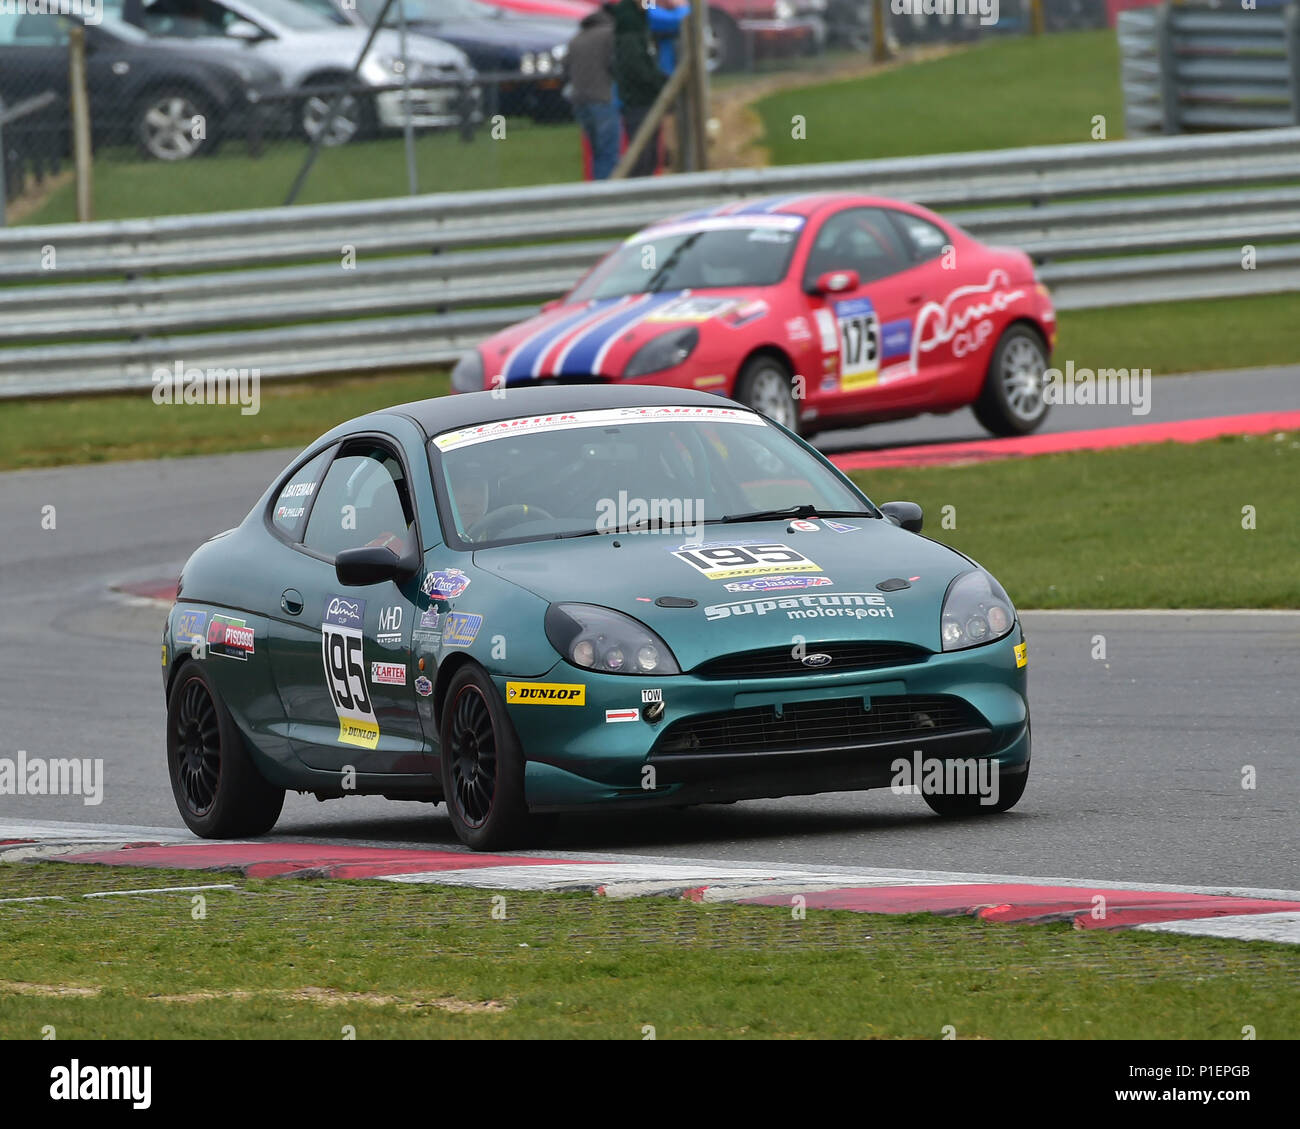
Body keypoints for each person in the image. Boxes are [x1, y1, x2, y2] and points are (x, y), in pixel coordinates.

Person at [607, 0, 665, 177]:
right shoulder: (630, 29)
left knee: (651, 156)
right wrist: (660, 83)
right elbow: (636, 68)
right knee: (642, 156)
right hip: (637, 101)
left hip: (645, 99)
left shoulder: (642, 21)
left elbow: (655, 11)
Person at [566, 7, 620, 181]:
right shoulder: (609, 34)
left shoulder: (576, 39)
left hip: (580, 101)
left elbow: (565, 69)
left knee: (596, 152)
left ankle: (596, 189)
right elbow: (615, 64)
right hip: (603, 98)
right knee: (609, 153)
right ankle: (607, 195)